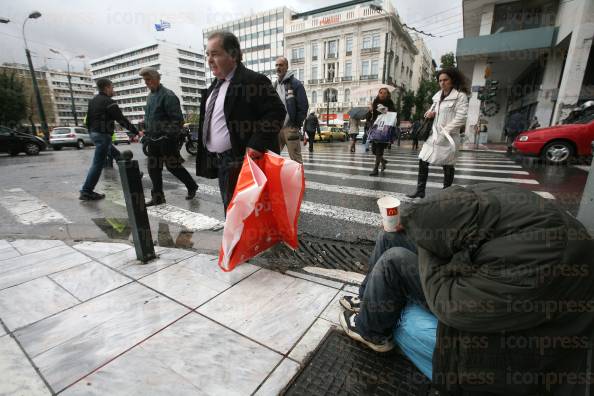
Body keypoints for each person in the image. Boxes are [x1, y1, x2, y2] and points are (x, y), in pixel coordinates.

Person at [339, 183, 594, 395]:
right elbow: (448, 208)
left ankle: (372, 332)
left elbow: (452, 308)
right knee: (391, 236)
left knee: (395, 261)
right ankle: (367, 302)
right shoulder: (489, 207)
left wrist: (428, 244)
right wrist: (415, 222)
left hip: (521, 351)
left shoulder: (535, 259)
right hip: (497, 271)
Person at [198, 31, 286, 212]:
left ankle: (253, 240)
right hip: (222, 163)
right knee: (232, 211)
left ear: (233, 55)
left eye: (215, 54)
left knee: (246, 214)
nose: (209, 60)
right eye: (208, 54)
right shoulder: (213, 87)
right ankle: (240, 240)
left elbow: (276, 112)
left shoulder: (253, 81)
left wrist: (255, 145)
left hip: (243, 161)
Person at [139, 67, 198, 206]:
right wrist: (146, 130)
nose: (146, 83)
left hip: (166, 140)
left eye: (148, 79)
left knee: (173, 166)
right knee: (153, 168)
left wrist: (167, 135)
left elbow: (177, 121)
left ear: (156, 79)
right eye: (145, 80)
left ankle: (192, 186)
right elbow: (150, 117)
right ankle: (158, 197)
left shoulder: (168, 95)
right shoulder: (150, 96)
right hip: (152, 139)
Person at [407, 68, 469, 198]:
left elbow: (461, 118)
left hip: (448, 138)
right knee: (423, 159)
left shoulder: (460, 96)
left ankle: (447, 192)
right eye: (440, 80)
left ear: (452, 80)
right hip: (433, 136)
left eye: (445, 80)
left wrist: (445, 130)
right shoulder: (437, 96)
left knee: (448, 165)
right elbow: (430, 112)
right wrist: (429, 113)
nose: (442, 83)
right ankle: (420, 190)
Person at [80, 78, 138, 201]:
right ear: (107, 88)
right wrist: (136, 132)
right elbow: (122, 120)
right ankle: (86, 191)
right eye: (112, 87)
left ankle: (133, 174)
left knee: (117, 155)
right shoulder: (109, 102)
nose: (113, 90)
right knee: (98, 164)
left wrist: (92, 132)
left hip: (94, 134)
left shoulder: (93, 101)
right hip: (103, 135)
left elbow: (88, 119)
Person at [273, 56, 308, 164]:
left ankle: (299, 181)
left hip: (290, 128)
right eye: (277, 65)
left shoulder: (295, 84)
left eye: (281, 65)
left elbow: (303, 106)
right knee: (273, 157)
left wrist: (296, 124)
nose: (278, 67)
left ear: (287, 66)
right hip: (277, 128)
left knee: (296, 160)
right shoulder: (274, 85)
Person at [366, 88, 396, 176]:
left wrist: (380, 109)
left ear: (387, 94)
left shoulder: (390, 103)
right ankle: (383, 161)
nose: (382, 94)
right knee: (374, 151)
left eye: (384, 93)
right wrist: (370, 110)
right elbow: (368, 117)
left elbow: (392, 114)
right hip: (375, 129)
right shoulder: (374, 103)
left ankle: (375, 170)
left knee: (379, 150)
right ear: (378, 93)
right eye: (380, 92)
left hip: (384, 129)